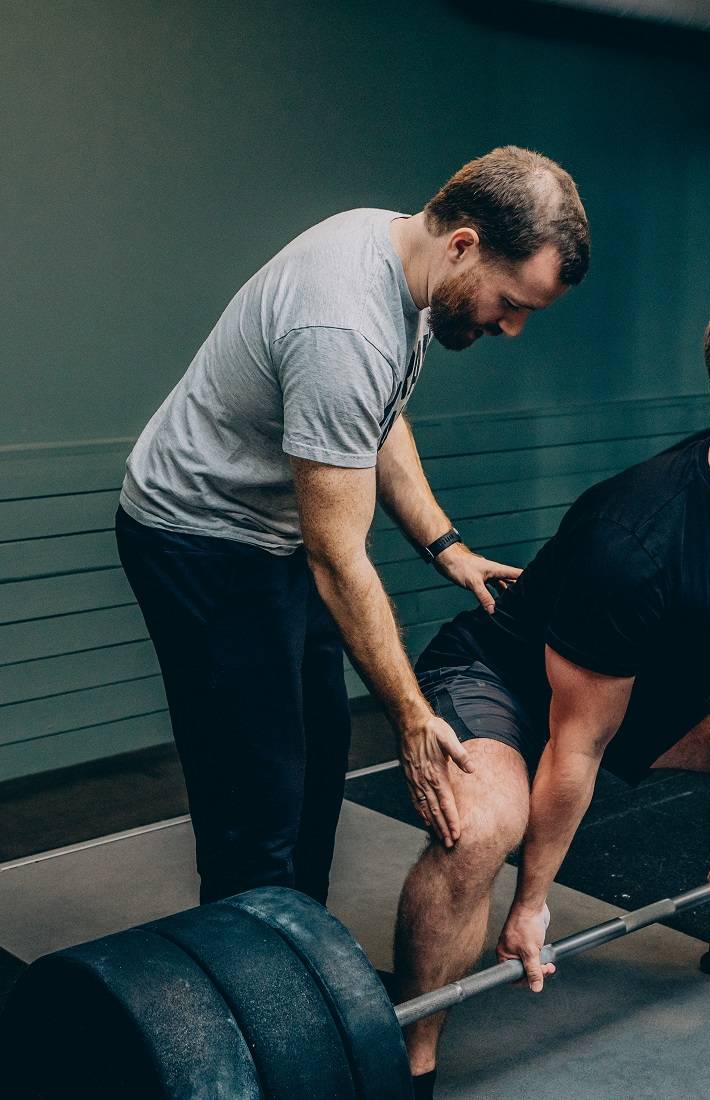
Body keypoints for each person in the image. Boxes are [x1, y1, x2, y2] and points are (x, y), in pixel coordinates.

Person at [392, 276, 710, 1096]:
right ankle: (408, 1055)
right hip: (499, 683)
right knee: (482, 828)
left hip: (628, 697)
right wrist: (532, 903)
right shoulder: (638, 534)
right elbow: (575, 745)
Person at [114, 146, 590, 905]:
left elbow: (377, 414)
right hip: (200, 537)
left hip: (273, 535)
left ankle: (306, 968)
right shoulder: (345, 323)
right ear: (464, 243)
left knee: (318, 750)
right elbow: (337, 560)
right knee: (257, 794)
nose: (513, 327)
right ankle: (255, 999)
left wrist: (445, 545)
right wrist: (411, 717)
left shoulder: (408, 260)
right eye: (512, 302)